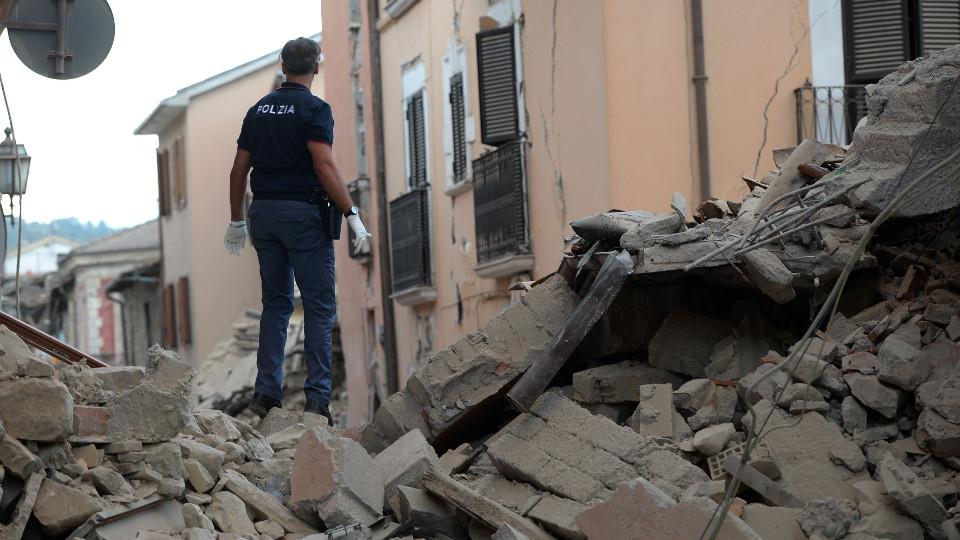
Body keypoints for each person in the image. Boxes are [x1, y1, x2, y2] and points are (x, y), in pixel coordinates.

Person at [223, 37, 370, 425]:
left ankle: (266, 395)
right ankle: (318, 400)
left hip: (264, 215)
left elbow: (239, 170)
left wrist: (237, 220)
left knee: (276, 304)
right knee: (319, 305)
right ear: (317, 67)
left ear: (282, 65)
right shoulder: (315, 109)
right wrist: (351, 212)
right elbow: (323, 164)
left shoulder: (257, 111)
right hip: (303, 216)